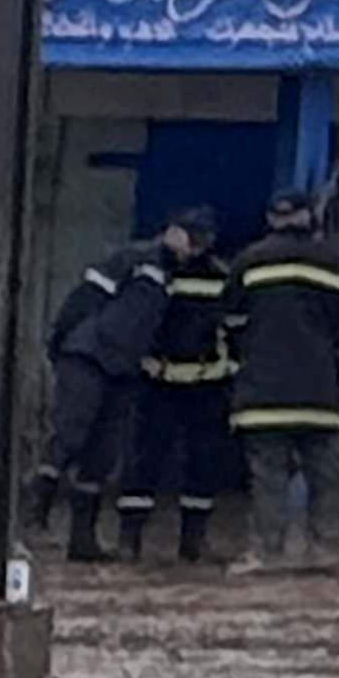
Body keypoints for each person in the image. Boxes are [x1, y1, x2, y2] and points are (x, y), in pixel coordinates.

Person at [230, 177, 339, 572]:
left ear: (270, 219)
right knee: (328, 475)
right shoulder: (333, 263)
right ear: (309, 216)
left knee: (267, 478)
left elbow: (230, 320)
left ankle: (264, 552)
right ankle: (325, 549)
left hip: (261, 392)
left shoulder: (248, 262)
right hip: (319, 393)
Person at [47, 218, 184, 563]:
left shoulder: (167, 276)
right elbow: (83, 300)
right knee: (69, 437)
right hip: (90, 358)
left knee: (101, 455)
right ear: (172, 232)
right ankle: (34, 517)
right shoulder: (134, 258)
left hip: (122, 369)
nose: (190, 250)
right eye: (189, 240)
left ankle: (82, 540)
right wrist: (64, 345)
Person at [130, 212, 250, 563]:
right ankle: (132, 539)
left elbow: (236, 329)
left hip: (205, 384)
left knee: (203, 464)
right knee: (145, 463)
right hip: (159, 381)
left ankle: (192, 542)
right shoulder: (153, 269)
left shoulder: (222, 276)